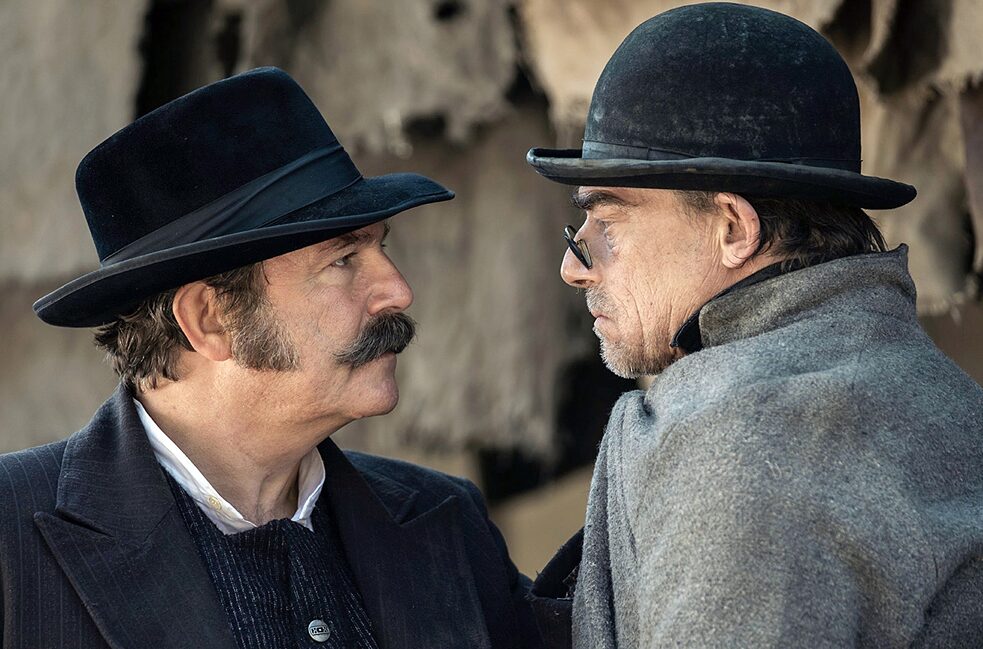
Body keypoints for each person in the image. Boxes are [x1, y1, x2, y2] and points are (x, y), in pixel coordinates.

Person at [0, 67, 541, 649]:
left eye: (379, 247)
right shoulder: (11, 534)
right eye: (342, 261)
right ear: (210, 319)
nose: (398, 290)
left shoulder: (446, 520)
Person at [525, 4, 983, 648]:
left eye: (611, 223)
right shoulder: (943, 395)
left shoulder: (743, 442)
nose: (577, 269)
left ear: (734, 230)